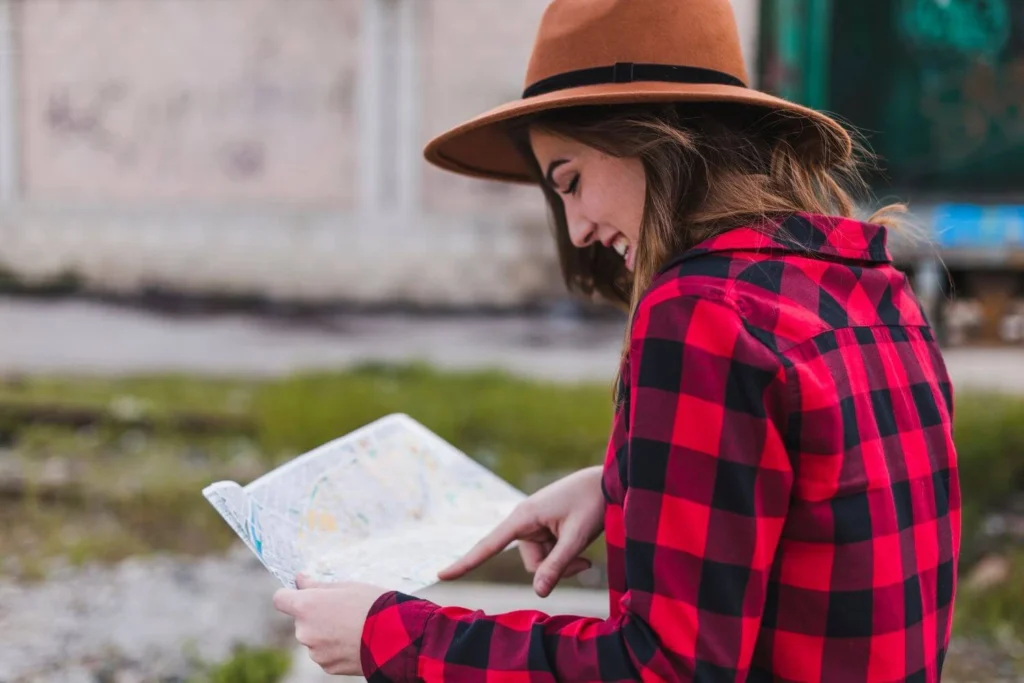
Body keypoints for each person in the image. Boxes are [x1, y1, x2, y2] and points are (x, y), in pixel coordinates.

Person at [272, 0, 962, 680]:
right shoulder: (868, 287)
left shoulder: (700, 312)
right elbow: (823, 498)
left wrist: (387, 634)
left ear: (649, 137)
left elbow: (659, 667)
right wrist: (623, 481)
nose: (575, 231)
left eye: (570, 182)